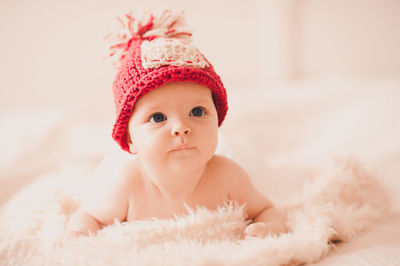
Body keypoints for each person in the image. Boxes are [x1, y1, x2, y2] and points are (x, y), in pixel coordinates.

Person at [60, 9, 288, 242]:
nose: (181, 128)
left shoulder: (227, 176)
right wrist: (78, 234)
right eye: (158, 117)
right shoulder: (125, 184)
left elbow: (266, 210)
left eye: (197, 112)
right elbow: (89, 216)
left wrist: (269, 225)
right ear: (130, 139)